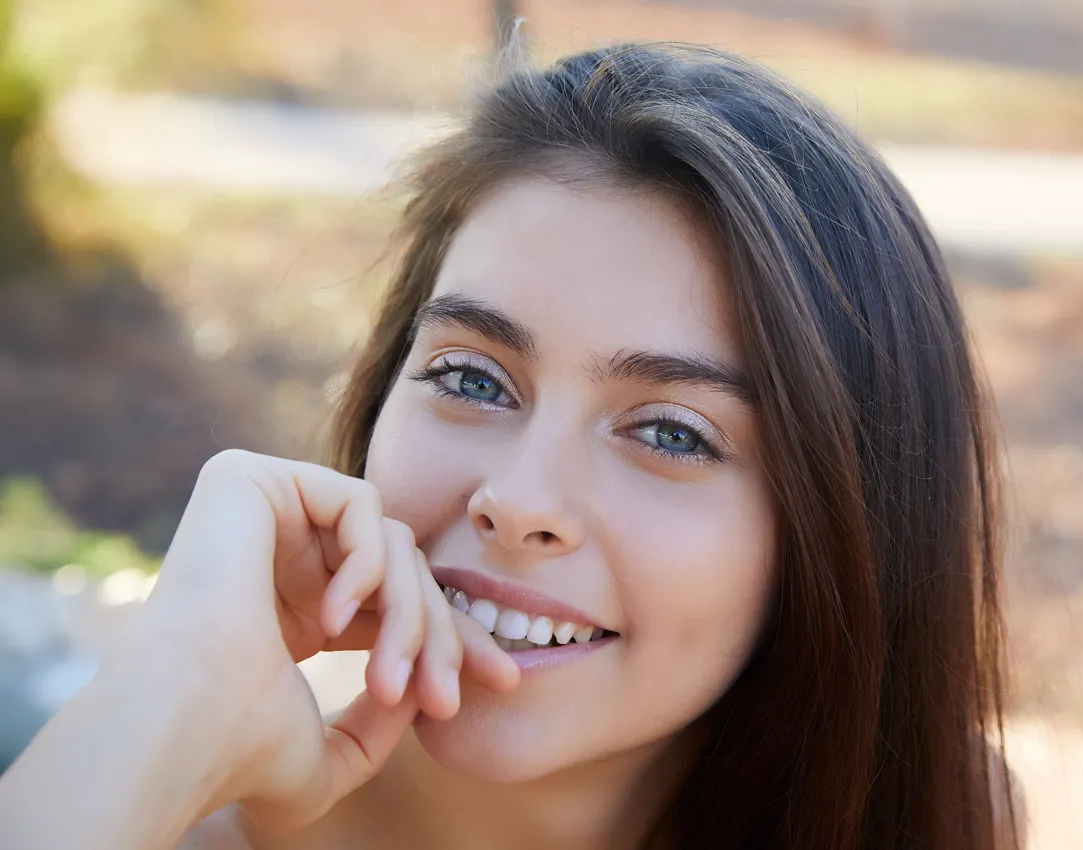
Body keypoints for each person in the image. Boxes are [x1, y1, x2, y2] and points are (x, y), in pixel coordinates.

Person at [0, 42, 1018, 850]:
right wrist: (168, 696)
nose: (520, 498)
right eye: (472, 377)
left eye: (672, 431)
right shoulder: (133, 820)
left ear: (843, 530)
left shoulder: (929, 818)